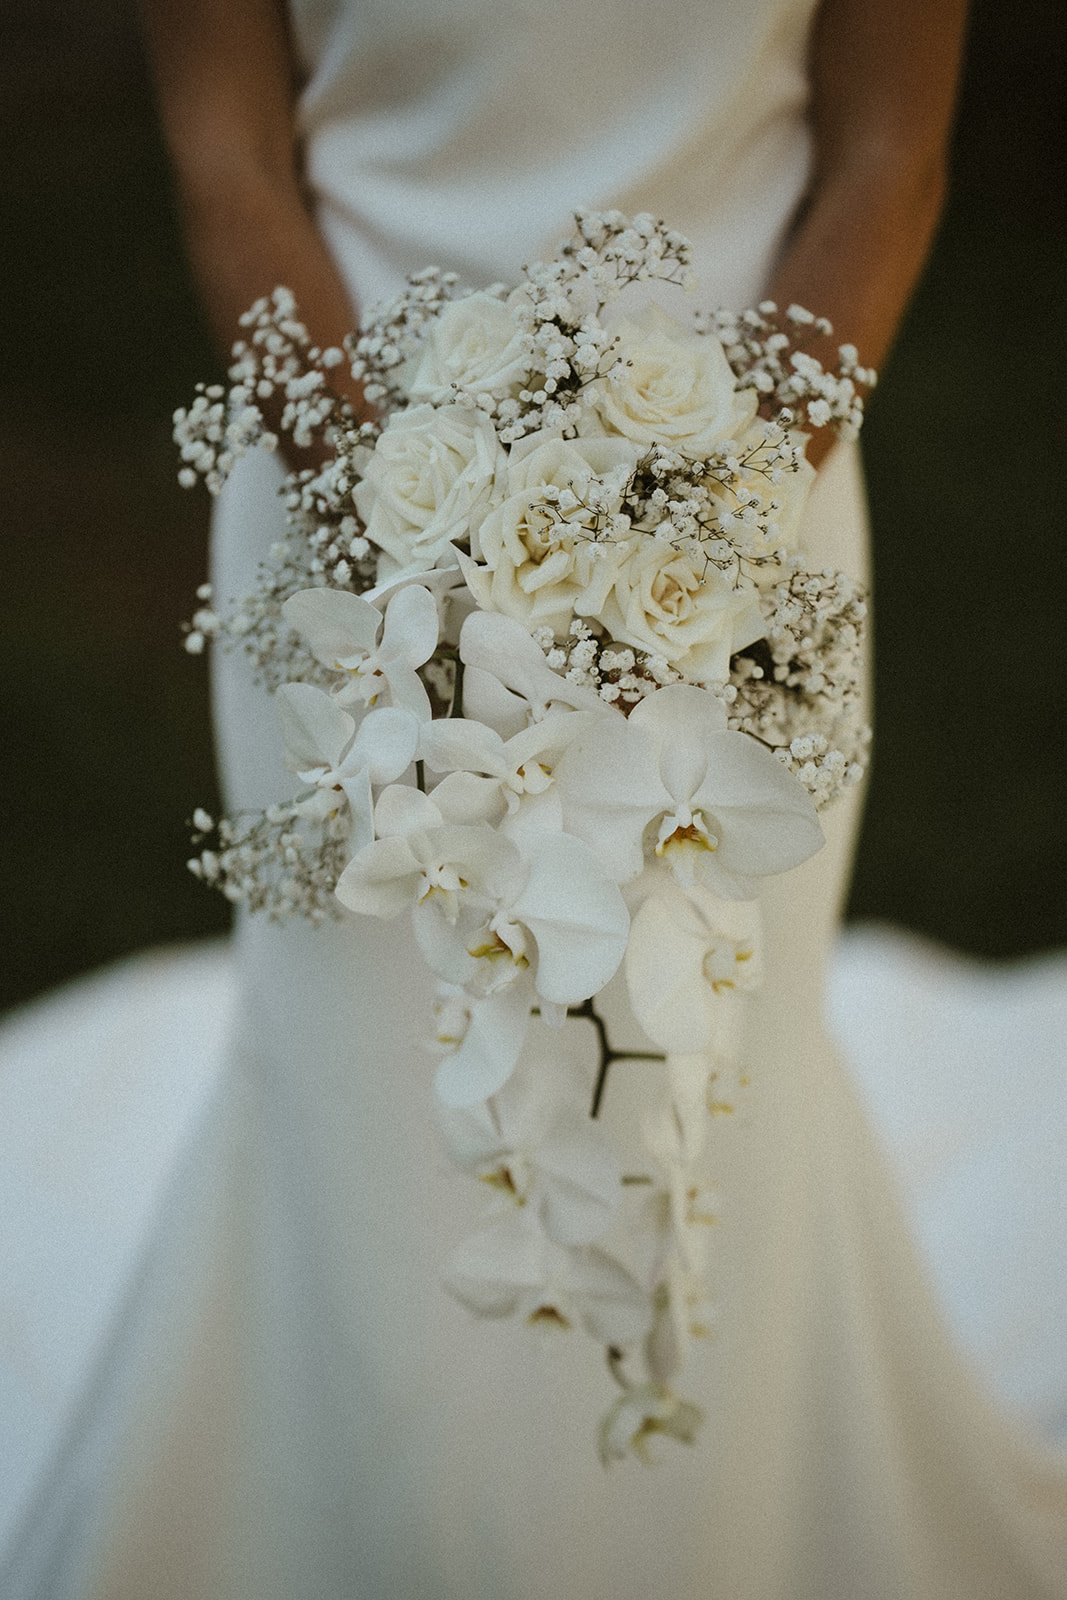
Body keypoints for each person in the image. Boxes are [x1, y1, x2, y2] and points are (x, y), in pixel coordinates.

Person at [3, 0, 1065, 1595]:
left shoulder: (736, 529)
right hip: (344, 506)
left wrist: (706, 535)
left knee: (706, 1094)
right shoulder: (357, 527)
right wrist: (400, 564)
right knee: (375, 1096)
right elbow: (229, 160)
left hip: (743, 536)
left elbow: (888, 154)